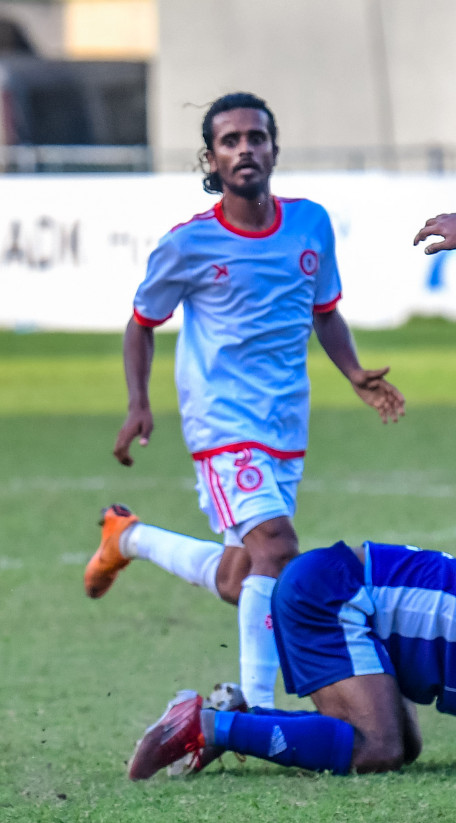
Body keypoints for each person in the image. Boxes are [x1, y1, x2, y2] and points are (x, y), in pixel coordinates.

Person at [84, 92, 404, 711]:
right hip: (222, 422)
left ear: (274, 149)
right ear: (211, 158)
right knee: (278, 549)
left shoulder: (311, 223)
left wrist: (356, 372)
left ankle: (127, 538)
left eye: (255, 138)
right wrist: (137, 404)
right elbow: (141, 323)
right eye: (230, 141)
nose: (244, 149)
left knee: (245, 577)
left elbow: (326, 314)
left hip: (285, 421)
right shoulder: (189, 244)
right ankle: (254, 708)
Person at [128, 540, 455, 779]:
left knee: (401, 745)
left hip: (336, 587)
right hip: (327, 593)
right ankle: (206, 727)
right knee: (377, 749)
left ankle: (240, 718)